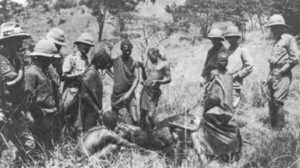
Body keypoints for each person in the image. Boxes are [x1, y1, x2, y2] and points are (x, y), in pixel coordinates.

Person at [0, 22, 35, 164]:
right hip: (3, 111)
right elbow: (10, 82)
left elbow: (20, 89)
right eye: (17, 39)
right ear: (8, 42)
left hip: (15, 110)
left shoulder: (15, 59)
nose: (21, 43)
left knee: (28, 145)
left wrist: (26, 111)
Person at [25, 39, 61, 149]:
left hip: (51, 113)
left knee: (50, 144)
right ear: (42, 57)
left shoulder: (47, 71)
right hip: (39, 114)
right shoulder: (31, 73)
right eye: (49, 58)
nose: (51, 61)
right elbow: (28, 99)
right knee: (40, 145)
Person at [67, 49, 112, 137]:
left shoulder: (94, 71)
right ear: (99, 62)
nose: (106, 65)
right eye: (104, 63)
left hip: (92, 109)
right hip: (88, 109)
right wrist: (97, 109)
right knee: (88, 133)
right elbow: (84, 94)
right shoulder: (91, 73)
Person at [265, 14, 299, 128]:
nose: (274, 29)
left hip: (283, 74)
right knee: (271, 101)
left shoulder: (288, 39)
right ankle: (272, 127)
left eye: (277, 26)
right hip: (273, 73)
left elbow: (295, 59)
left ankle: (279, 132)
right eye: (273, 27)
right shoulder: (276, 41)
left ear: (282, 27)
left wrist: (282, 71)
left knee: (278, 101)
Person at [60, 32, 94, 129]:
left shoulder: (87, 60)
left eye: (88, 46)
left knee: (79, 118)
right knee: (65, 113)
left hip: (83, 92)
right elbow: (64, 76)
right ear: (78, 45)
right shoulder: (71, 58)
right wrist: (78, 75)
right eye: (84, 45)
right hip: (71, 91)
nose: (86, 48)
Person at [107, 40, 140, 126]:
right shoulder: (116, 60)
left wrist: (129, 93)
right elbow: (106, 67)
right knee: (113, 120)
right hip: (117, 93)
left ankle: (138, 136)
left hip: (129, 93)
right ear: (122, 49)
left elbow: (137, 78)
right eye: (126, 50)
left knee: (135, 119)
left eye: (130, 50)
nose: (128, 52)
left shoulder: (134, 62)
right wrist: (114, 77)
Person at [139, 48, 171, 129]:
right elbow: (146, 78)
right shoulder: (150, 64)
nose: (149, 59)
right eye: (149, 57)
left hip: (154, 93)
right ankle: (145, 133)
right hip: (145, 90)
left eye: (151, 56)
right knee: (142, 114)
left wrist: (158, 81)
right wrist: (143, 69)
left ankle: (162, 129)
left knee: (150, 115)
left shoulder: (164, 64)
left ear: (156, 54)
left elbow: (169, 79)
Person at [224, 26, 254, 108]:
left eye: (233, 37)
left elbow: (250, 66)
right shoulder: (227, 51)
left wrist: (237, 75)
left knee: (232, 106)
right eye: (229, 37)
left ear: (237, 38)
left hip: (235, 83)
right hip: (224, 82)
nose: (231, 39)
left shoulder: (242, 50)